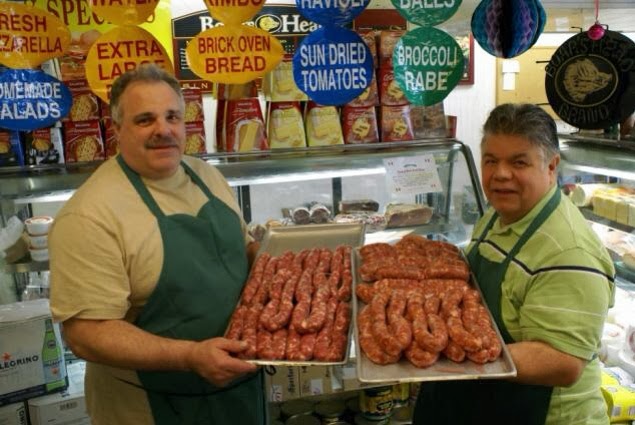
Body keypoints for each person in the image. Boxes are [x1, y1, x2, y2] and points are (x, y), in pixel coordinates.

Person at [48, 64, 265, 425]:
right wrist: (190, 356)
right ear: (117, 129)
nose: (163, 130)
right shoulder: (90, 214)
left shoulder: (206, 175)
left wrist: (288, 266)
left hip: (237, 392)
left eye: (172, 117)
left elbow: (243, 250)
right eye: (145, 120)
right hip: (152, 405)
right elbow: (86, 334)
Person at [413, 103, 615, 425]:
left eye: (519, 162)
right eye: (491, 161)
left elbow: (563, 362)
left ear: (551, 166)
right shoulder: (501, 212)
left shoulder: (570, 251)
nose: (501, 174)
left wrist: (440, 351)